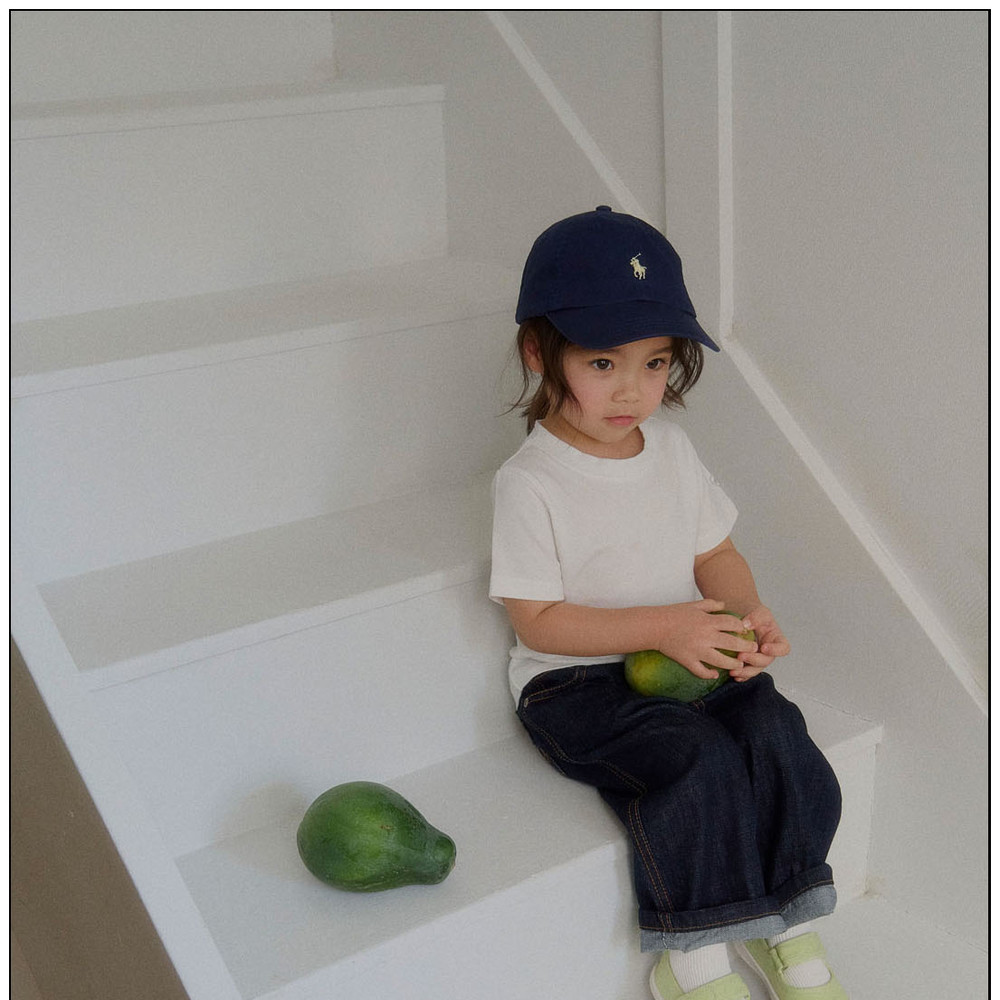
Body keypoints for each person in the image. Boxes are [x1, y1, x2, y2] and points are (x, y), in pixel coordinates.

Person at [489, 206, 848, 1000]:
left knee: (775, 728)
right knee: (697, 758)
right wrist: (665, 624)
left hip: (679, 656)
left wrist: (745, 615)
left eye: (654, 363)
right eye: (603, 362)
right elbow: (537, 620)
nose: (633, 389)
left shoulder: (674, 452)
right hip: (574, 685)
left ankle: (787, 920)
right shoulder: (531, 483)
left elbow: (714, 554)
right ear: (539, 353)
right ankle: (692, 957)